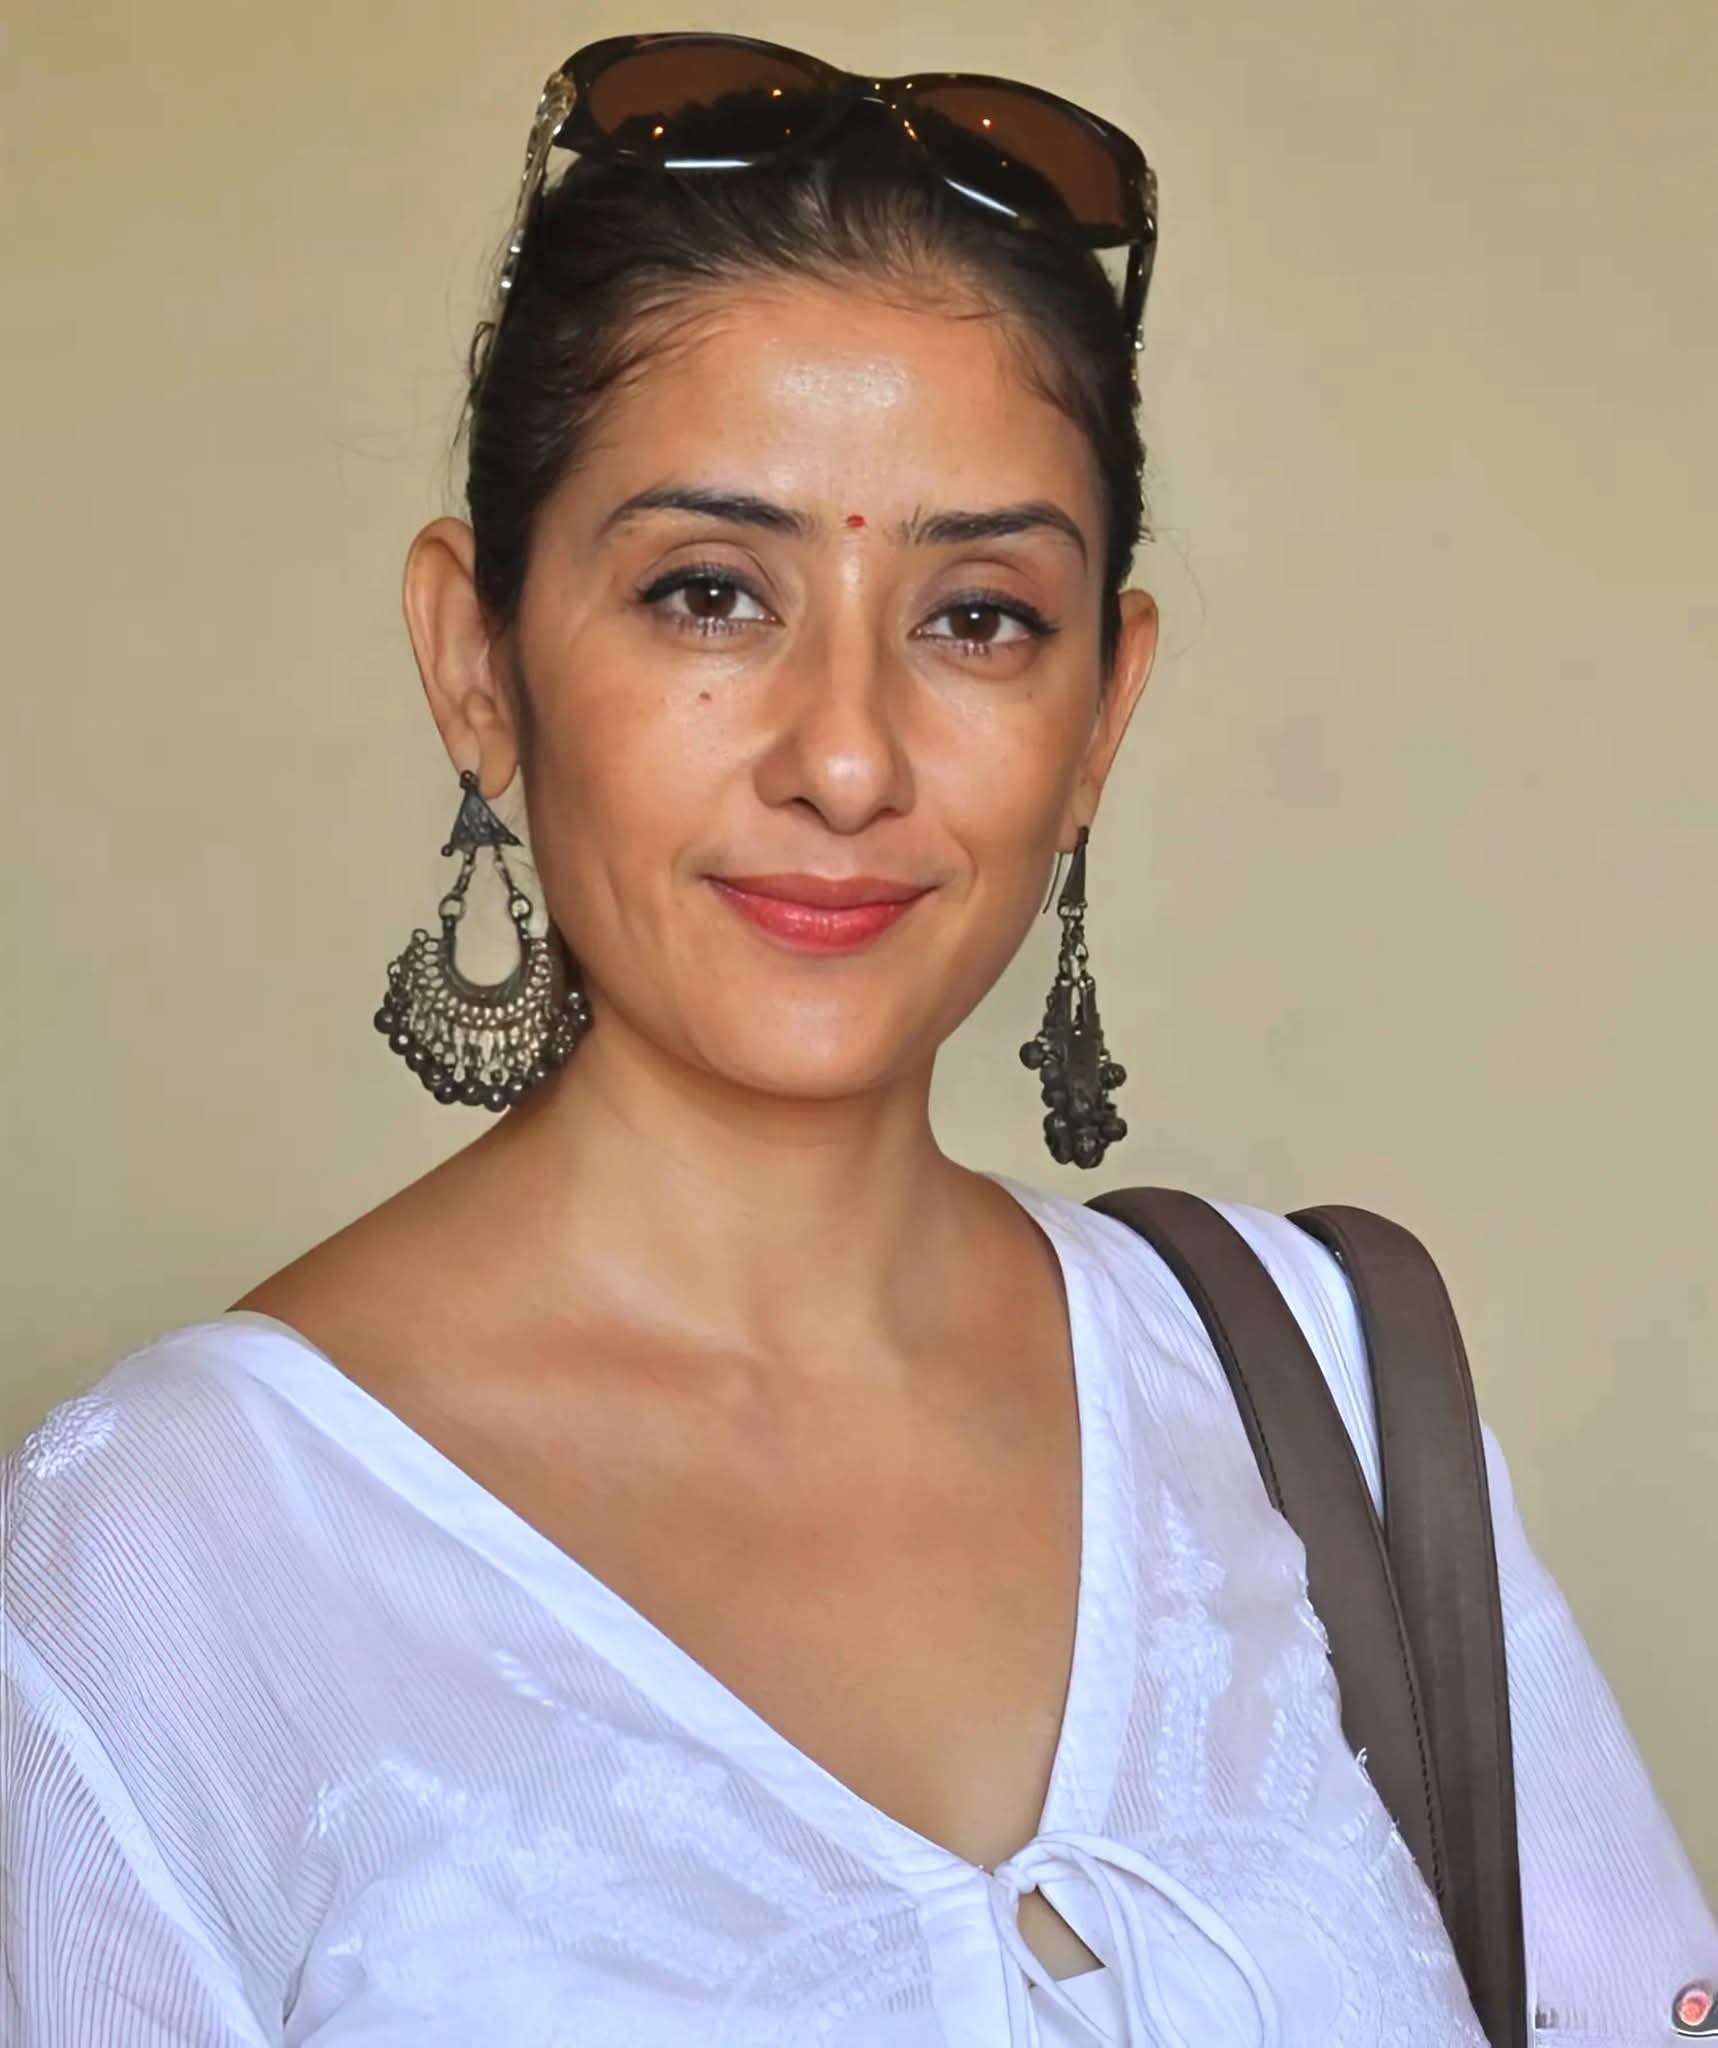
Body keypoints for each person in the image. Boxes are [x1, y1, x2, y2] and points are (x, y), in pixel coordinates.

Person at [3, 31, 1712, 2048]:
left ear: (1101, 712)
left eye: (977, 615)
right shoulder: (165, 1554)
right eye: (708, 592)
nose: (844, 756)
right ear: (477, 663)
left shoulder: (1316, 1386)